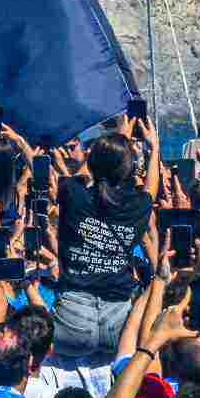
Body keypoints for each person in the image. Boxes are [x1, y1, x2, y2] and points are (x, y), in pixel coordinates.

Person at [52, 125, 158, 359]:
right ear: (129, 169)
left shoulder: (72, 193)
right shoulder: (137, 205)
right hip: (118, 319)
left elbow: (80, 176)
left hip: (72, 314)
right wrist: (154, 147)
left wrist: (112, 143)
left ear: (91, 162)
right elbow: (151, 189)